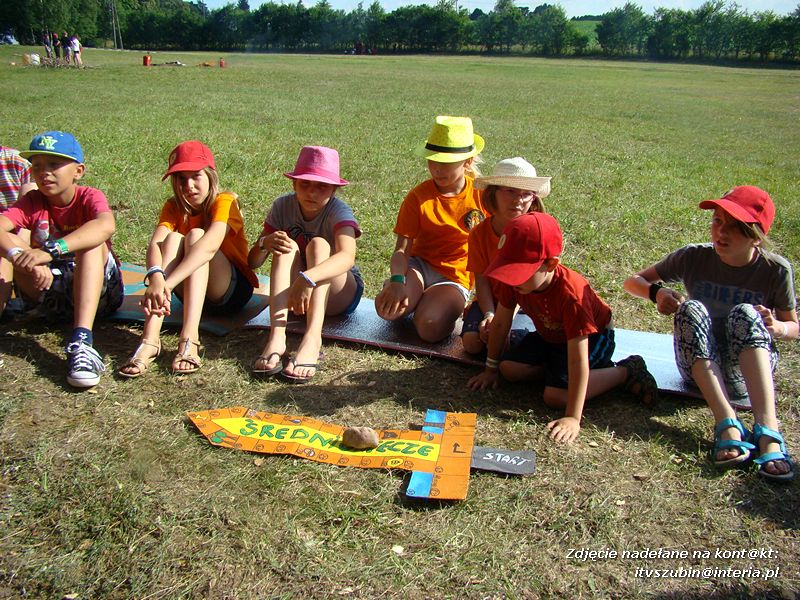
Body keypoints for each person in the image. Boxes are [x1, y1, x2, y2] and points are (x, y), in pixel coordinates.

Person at [623, 186, 796, 482]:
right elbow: (633, 281)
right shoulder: (694, 256)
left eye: (735, 227)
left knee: (745, 313)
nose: (721, 232)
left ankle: (768, 430)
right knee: (691, 308)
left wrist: (778, 327)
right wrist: (657, 293)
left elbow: (793, 326)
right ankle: (727, 423)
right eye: (717, 221)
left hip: (747, 375)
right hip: (701, 372)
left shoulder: (775, 270)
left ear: (756, 236)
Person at [469, 213, 658, 444]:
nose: (513, 280)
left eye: (520, 272)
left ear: (551, 264)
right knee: (508, 368)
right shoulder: (515, 283)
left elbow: (578, 359)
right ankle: (555, 372)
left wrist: (572, 417)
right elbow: (500, 323)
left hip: (593, 337)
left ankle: (625, 371)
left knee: (554, 396)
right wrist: (490, 369)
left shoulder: (571, 295)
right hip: (551, 335)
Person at [118, 141, 257, 378]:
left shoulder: (225, 201)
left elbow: (209, 248)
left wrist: (167, 284)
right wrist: (155, 277)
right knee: (172, 239)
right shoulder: (173, 206)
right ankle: (150, 339)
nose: (188, 186)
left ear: (210, 176)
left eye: (195, 176)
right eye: (181, 179)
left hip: (230, 292)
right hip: (187, 291)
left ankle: (190, 337)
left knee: (196, 237)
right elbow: (155, 243)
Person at [0, 131, 123, 388]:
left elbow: (105, 225)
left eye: (54, 164)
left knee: (92, 243)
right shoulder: (32, 201)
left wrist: (50, 251)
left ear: (78, 171)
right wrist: (21, 257)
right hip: (49, 294)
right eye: (37, 166)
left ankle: (82, 341)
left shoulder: (89, 196)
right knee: (7, 246)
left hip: (98, 295)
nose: (44, 172)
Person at [248, 146, 362, 383]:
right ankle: (276, 337)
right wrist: (264, 243)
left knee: (319, 245)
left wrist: (308, 277)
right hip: (297, 296)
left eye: (321, 186)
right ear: (294, 184)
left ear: (334, 189)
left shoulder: (338, 210)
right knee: (285, 245)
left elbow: (347, 256)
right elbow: (253, 262)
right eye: (305, 184)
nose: (312, 192)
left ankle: (312, 338)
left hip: (339, 293)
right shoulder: (282, 206)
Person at [375, 115, 486, 343]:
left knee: (429, 326)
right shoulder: (418, 197)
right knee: (387, 310)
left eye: (445, 163)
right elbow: (402, 249)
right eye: (432, 161)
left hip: (455, 275)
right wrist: (397, 279)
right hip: (419, 266)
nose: (436, 169)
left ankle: (438, 305)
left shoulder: (482, 195)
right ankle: (416, 295)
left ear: (467, 161)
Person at [462, 157, 550, 355]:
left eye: (526, 194)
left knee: (509, 345)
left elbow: (530, 286)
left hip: (525, 304)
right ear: (493, 192)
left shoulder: (534, 233)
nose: (518, 200)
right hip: (490, 301)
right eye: (510, 191)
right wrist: (489, 314)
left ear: (534, 199)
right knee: (472, 344)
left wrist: (504, 319)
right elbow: (481, 281)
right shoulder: (479, 234)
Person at [0, 145, 36, 315]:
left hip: (21, 242)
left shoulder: (17, 162)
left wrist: (16, 251)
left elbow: (30, 223)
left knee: (5, 242)